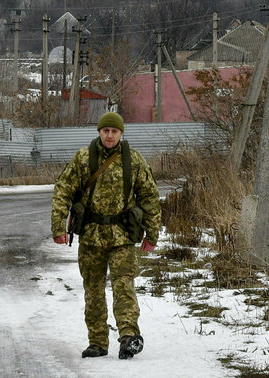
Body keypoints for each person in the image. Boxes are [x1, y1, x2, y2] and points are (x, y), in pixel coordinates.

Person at [51, 111, 161, 360]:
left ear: (121, 133)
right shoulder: (82, 159)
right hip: (91, 237)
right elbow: (62, 191)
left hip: (123, 237)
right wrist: (58, 226)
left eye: (114, 131)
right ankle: (98, 342)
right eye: (105, 131)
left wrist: (152, 234)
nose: (110, 135)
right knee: (93, 290)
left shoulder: (133, 161)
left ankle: (129, 336)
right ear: (99, 132)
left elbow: (150, 198)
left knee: (124, 286)